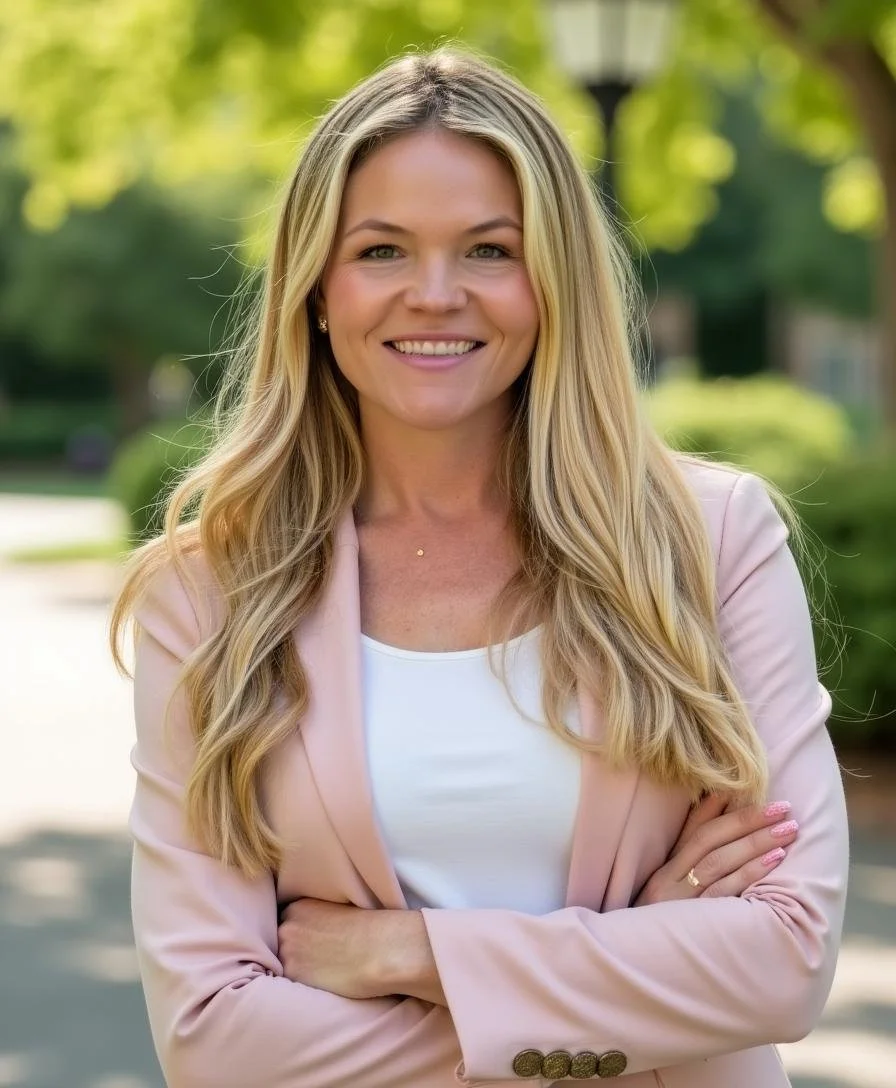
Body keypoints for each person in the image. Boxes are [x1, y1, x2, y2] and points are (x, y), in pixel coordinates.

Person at [110, 48, 848, 1088]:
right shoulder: (209, 591)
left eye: (489, 250)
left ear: (553, 282)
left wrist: (407, 955)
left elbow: (783, 959)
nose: (435, 294)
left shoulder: (711, 539)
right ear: (316, 286)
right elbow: (213, 1036)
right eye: (381, 250)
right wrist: (638, 967)